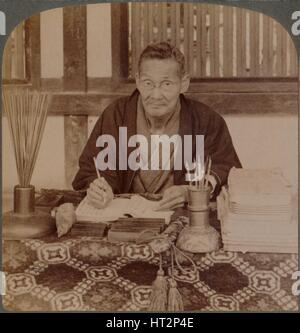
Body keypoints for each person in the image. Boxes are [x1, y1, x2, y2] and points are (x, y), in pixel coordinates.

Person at [72, 42, 241, 210]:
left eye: (166, 84)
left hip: (181, 219)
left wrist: (191, 191)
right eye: (148, 83)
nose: (156, 95)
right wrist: (98, 189)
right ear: (137, 81)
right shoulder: (116, 115)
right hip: (126, 221)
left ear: (183, 83)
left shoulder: (206, 120)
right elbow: (90, 170)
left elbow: (228, 170)